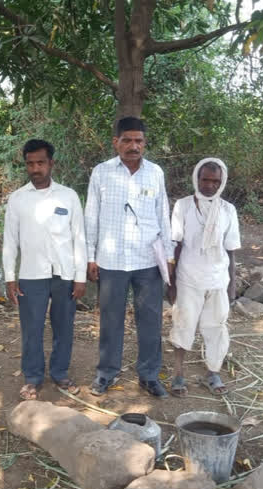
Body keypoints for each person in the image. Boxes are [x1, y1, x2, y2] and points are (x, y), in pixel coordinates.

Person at [84, 117, 172, 398]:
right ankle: (106, 373)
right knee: (111, 320)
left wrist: (168, 256)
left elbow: (164, 215)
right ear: (116, 142)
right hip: (112, 260)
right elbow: (91, 216)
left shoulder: (155, 173)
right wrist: (90, 256)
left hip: (148, 259)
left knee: (150, 320)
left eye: (139, 141)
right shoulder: (101, 172)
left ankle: (148, 375)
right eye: (127, 140)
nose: (133, 146)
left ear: (145, 143)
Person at [3, 139, 87, 400]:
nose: (35, 168)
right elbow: (10, 241)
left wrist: (80, 277)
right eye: (30, 163)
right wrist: (9, 278)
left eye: (40, 162)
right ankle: (33, 377)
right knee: (32, 328)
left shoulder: (68, 196)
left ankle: (60, 373)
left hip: (64, 275)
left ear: (51, 163)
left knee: (64, 327)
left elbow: (79, 238)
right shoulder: (17, 199)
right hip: (31, 274)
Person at [167, 158, 240, 396]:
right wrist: (172, 280)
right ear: (196, 178)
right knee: (183, 324)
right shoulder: (184, 206)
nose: (209, 185)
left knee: (216, 327)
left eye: (215, 181)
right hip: (188, 276)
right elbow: (175, 244)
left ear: (222, 182)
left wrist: (231, 284)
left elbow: (230, 250)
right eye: (205, 179)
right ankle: (178, 374)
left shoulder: (228, 210)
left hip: (218, 278)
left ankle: (213, 371)